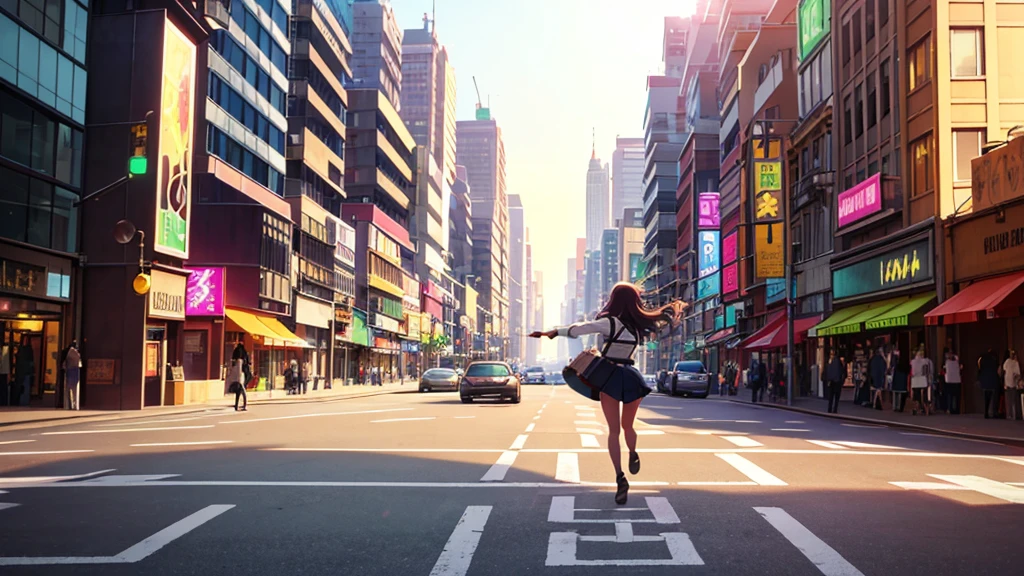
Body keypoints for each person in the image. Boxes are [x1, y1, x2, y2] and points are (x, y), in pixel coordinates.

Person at [530, 282, 683, 506]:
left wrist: (553, 332)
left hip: (609, 377)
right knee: (628, 426)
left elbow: (580, 328)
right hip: (631, 377)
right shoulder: (637, 327)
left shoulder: (609, 323)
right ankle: (632, 451)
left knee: (613, 431)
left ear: (614, 300)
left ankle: (620, 477)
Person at [979, 348, 1001, 419]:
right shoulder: (994, 359)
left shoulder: (982, 359)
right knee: (994, 398)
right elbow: (998, 370)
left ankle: (986, 412)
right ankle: (994, 412)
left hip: (985, 380)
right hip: (993, 380)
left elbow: (980, 369)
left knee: (986, 397)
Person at [910, 349, 932, 416]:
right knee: (925, 396)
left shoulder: (912, 362)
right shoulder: (925, 361)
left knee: (916, 397)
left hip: (915, 381)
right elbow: (927, 371)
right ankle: (927, 411)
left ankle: (916, 409)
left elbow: (912, 372)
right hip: (923, 380)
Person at [943, 348, 963, 415]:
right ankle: (950, 408)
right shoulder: (947, 361)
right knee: (950, 395)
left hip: (955, 380)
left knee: (955, 395)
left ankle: (956, 409)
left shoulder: (955, 360)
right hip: (950, 380)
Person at [63, 341, 82, 410]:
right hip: (75, 371)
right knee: (74, 389)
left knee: (68, 389)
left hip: (70, 371)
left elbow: (65, 363)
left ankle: (69, 404)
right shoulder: (76, 353)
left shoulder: (69, 352)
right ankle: (74, 404)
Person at [1003, 350, 1022, 421]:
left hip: (1007, 382)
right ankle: (1014, 415)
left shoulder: (1007, 362)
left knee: (1008, 399)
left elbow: (1004, 370)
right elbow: (1018, 374)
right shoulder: (1015, 363)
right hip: (1013, 383)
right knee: (1013, 400)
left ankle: (1009, 414)